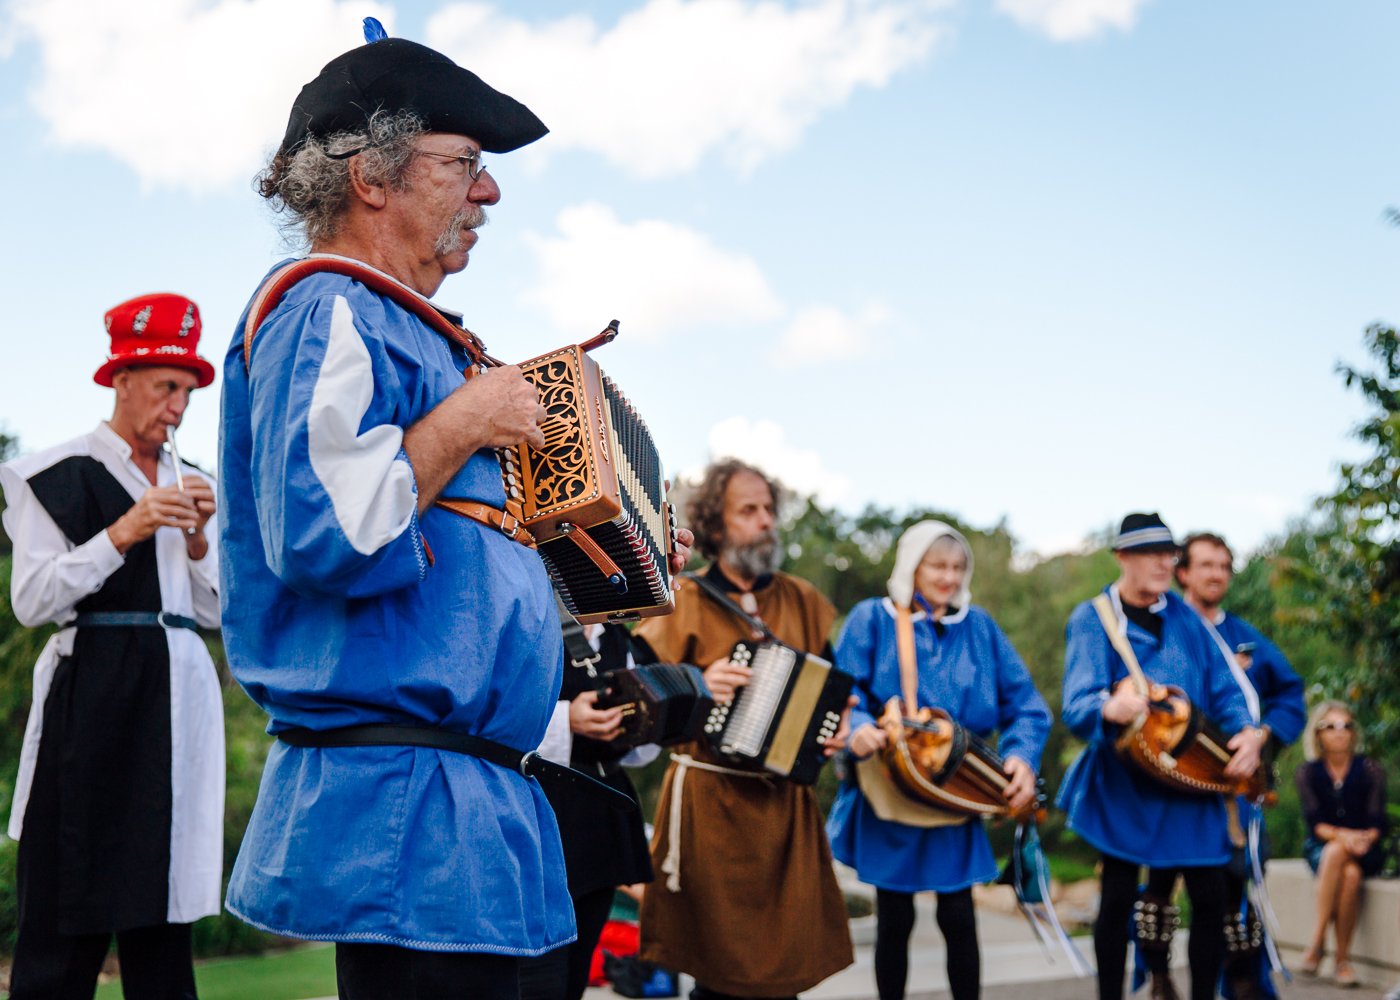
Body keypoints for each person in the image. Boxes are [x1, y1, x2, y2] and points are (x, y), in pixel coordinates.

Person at [217, 26, 690, 1000]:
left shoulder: (425, 339)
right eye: (464, 164)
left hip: (481, 810)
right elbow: (331, 538)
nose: (490, 192)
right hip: (404, 812)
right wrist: (471, 415)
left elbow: (471, 576)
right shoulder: (326, 307)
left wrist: (624, 548)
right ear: (372, 179)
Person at [0, 293, 223, 999]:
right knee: (69, 895)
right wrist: (123, 531)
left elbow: (218, 613)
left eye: (186, 393)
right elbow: (33, 600)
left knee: (164, 912)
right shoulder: (51, 472)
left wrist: (195, 540)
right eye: (165, 388)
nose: (178, 409)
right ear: (121, 381)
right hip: (91, 699)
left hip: (179, 703)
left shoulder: (198, 483)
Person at [633, 459, 854, 1000]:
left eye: (769, 510)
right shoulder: (678, 598)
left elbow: (834, 689)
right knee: (718, 976)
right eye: (748, 510)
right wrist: (697, 682)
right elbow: (639, 703)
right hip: (712, 811)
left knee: (785, 973)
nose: (766, 521)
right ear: (714, 525)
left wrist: (837, 728)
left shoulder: (801, 598)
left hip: (785, 813)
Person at [825, 520, 1052, 1000]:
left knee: (958, 916)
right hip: (892, 786)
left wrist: (1022, 759)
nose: (949, 578)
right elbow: (842, 694)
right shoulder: (874, 618)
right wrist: (860, 727)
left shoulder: (979, 627)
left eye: (957, 567)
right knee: (895, 918)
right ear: (912, 566)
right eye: (938, 566)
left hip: (957, 786)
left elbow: (1027, 706)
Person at [1057, 513, 1264, 1000]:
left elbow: (1226, 689)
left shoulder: (1185, 617)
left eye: (1169, 553)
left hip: (1189, 780)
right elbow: (1076, 702)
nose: (1164, 563)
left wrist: (1247, 736)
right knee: (1118, 900)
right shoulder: (1093, 617)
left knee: (1210, 900)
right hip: (1126, 784)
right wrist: (1108, 705)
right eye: (1151, 553)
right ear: (1122, 558)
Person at [1174, 531, 1306, 999]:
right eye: (1206, 564)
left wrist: (1263, 735)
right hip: (1172, 797)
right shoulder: (1164, 631)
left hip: (1234, 801)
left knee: (1237, 912)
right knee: (1157, 915)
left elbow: (1290, 694)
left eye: (1224, 566)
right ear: (1183, 572)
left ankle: (1246, 989)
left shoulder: (1244, 637)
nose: (1216, 574)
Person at [520, 619, 659, 1000]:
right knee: (536, 977)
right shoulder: (532, 621)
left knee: (575, 975)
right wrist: (567, 719)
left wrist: (648, 722)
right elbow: (491, 715)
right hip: (540, 811)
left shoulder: (617, 637)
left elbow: (638, 753)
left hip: (603, 816)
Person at [1294, 700, 1386, 988]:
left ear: (1353, 733)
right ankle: (1342, 961)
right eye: (1330, 726)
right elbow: (1316, 824)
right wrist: (1344, 837)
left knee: (1347, 860)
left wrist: (1361, 838)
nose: (1339, 732)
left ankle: (1318, 942)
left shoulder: (1370, 769)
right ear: (1318, 733)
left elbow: (1378, 823)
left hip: (1365, 847)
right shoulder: (1308, 772)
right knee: (1349, 874)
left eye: (1346, 726)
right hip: (1323, 847)